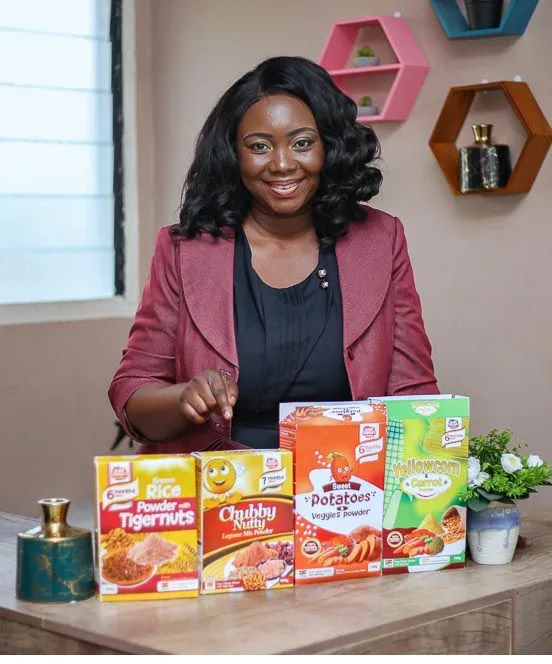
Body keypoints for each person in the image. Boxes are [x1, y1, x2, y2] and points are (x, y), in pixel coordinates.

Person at [108, 55, 438, 455]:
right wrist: (183, 398)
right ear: (234, 154)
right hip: (222, 493)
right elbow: (133, 394)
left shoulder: (381, 240)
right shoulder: (185, 249)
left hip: (345, 492)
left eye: (302, 143)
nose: (282, 165)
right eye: (260, 146)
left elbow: (415, 396)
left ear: (329, 146)